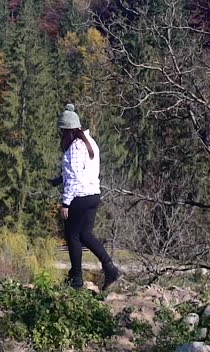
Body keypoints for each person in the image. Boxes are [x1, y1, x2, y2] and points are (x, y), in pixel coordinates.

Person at [51, 104, 121, 290]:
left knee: (72, 235)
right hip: (93, 195)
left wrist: (65, 202)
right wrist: (59, 179)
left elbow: (74, 177)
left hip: (79, 197)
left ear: (67, 130)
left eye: (62, 131)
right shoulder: (90, 142)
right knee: (85, 234)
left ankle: (76, 279)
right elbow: (84, 171)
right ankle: (109, 267)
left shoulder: (74, 147)